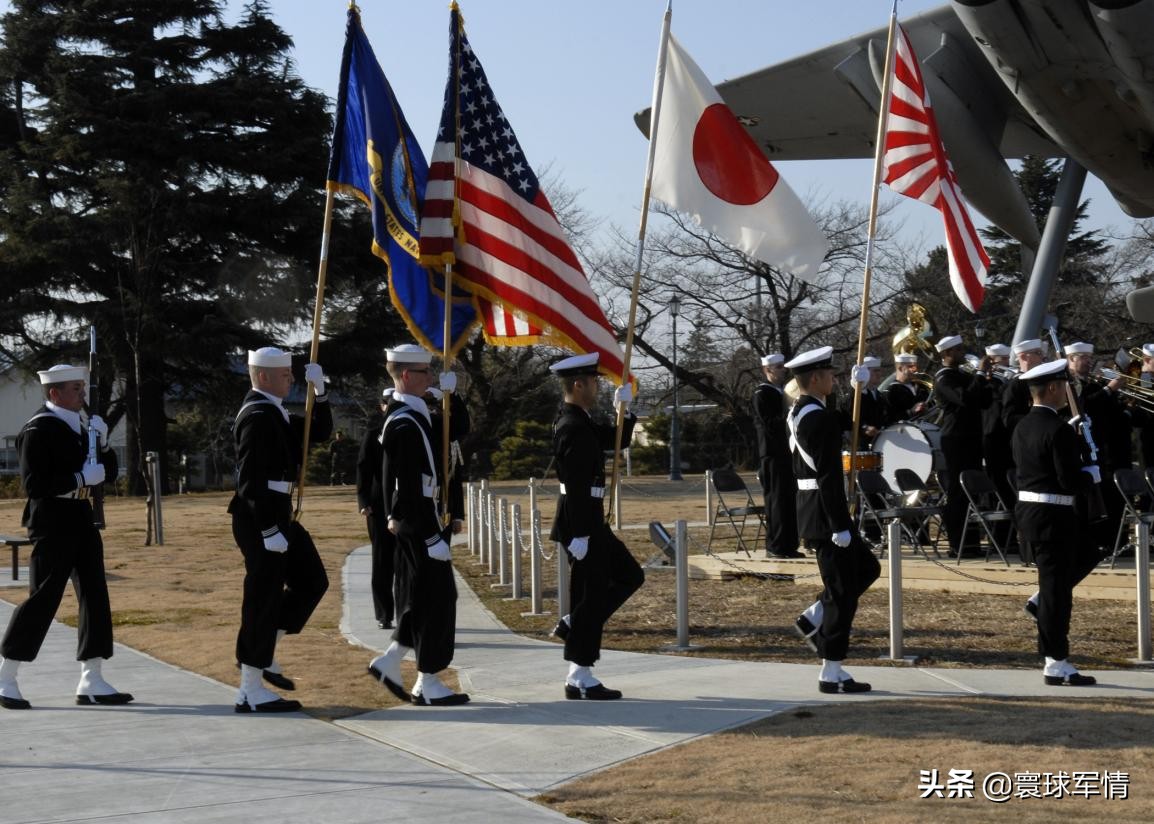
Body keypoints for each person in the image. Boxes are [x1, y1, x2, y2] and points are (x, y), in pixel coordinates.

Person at [0, 364, 130, 710]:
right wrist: (78, 478)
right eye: (76, 389)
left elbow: (106, 474)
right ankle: (6, 675)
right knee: (43, 598)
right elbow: (34, 485)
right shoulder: (38, 429)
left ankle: (92, 676)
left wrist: (102, 445)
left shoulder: (82, 427)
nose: (82, 395)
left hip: (81, 519)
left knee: (95, 596)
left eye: (82, 388)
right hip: (52, 522)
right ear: (54, 393)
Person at [229, 347, 331, 713]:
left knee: (312, 581)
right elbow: (251, 479)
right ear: (263, 377)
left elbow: (317, 432)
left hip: (278, 514)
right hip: (260, 516)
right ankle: (250, 690)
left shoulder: (275, 411)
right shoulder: (257, 415)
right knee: (263, 597)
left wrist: (321, 394)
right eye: (286, 374)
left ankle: (263, 650)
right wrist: (269, 528)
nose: (292, 379)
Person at [366, 344, 468, 706]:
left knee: (425, 597)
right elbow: (406, 485)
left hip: (424, 520)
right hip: (420, 523)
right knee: (438, 600)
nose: (432, 378)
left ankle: (394, 662)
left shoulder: (417, 412)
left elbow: (459, 428)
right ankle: (428, 678)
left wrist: (453, 397)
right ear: (407, 375)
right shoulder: (403, 422)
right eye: (426, 373)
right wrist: (429, 537)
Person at [785, 347, 880, 694]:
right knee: (842, 594)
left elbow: (852, 424)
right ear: (815, 378)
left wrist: (859, 391)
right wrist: (840, 524)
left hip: (817, 508)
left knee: (867, 569)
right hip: (826, 513)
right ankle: (832, 670)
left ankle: (813, 617)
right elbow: (827, 475)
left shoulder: (805, 410)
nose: (834, 379)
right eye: (830, 375)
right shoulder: (817, 418)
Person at [549, 352, 643, 700]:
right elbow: (574, 484)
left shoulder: (580, 419)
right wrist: (580, 534)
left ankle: (573, 626)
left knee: (630, 575)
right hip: (582, 524)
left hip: (589, 521)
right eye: (594, 382)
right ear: (579, 384)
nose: (597, 387)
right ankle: (580, 675)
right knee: (588, 597)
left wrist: (626, 414)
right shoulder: (571, 425)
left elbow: (613, 441)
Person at [1012, 359, 1098, 686]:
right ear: (1051, 388)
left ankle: (1039, 604)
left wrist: (1076, 441)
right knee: (1058, 595)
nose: (1066, 391)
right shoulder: (1057, 429)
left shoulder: (1023, 426)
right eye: (1063, 386)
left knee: (1089, 553)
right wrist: (1089, 474)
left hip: (1037, 516)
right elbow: (1068, 481)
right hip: (1053, 517)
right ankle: (1056, 662)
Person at [932, 335, 994, 557]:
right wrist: (978, 374)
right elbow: (965, 399)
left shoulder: (961, 375)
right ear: (946, 354)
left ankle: (972, 543)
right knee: (959, 491)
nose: (962, 353)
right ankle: (958, 544)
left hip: (972, 437)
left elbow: (984, 400)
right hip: (956, 439)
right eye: (958, 350)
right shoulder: (944, 379)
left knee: (972, 493)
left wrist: (985, 377)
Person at [752, 353, 801, 558]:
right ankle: (776, 545)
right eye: (779, 367)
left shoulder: (783, 392)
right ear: (767, 370)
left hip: (787, 453)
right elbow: (769, 424)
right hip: (772, 454)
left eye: (783, 366)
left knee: (789, 500)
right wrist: (790, 412)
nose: (783, 370)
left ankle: (790, 544)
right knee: (776, 500)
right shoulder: (761, 394)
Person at [357, 388, 397, 630]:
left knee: (405, 561)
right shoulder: (374, 434)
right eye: (388, 403)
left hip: (404, 500)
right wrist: (363, 502)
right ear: (382, 405)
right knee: (382, 561)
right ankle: (384, 613)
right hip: (378, 504)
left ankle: (407, 610)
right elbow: (363, 468)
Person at [884, 353, 928, 421]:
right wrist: (911, 412)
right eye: (911, 367)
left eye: (915, 366)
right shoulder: (891, 391)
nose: (915, 370)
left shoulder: (921, 386)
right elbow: (889, 417)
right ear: (901, 368)